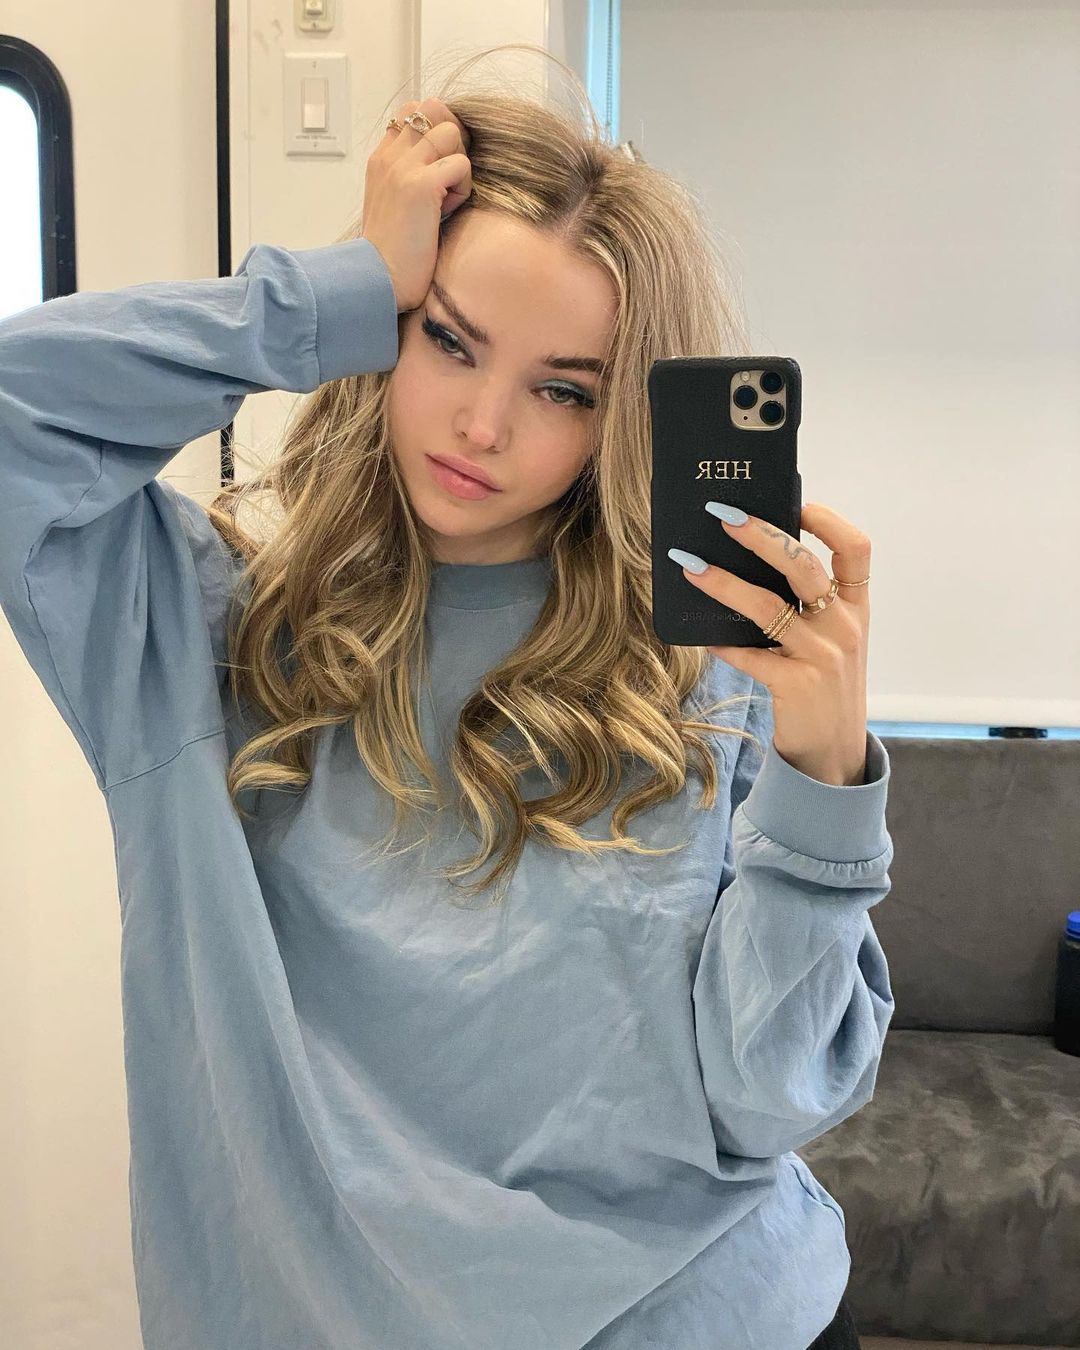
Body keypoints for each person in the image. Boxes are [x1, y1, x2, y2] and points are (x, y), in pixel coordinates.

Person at [0, 41, 889, 1350]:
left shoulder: (700, 666)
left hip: (711, 1314)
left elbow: (767, 1100)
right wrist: (332, 292)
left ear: (616, 420)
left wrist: (823, 787)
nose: (483, 424)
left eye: (562, 389)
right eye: (449, 340)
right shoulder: (195, 631)